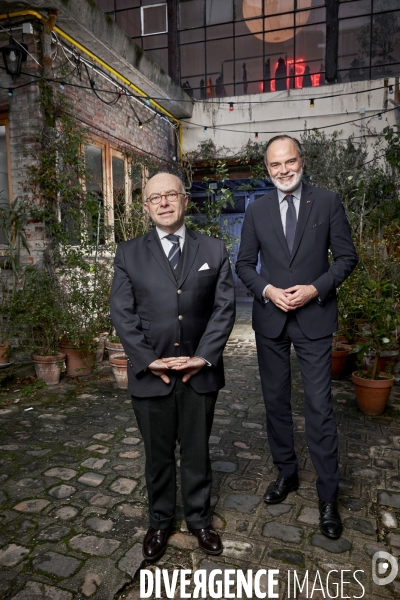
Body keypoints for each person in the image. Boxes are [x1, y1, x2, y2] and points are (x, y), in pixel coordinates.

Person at [236, 135, 358, 540]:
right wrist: (268, 291)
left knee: (320, 407)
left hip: (314, 317)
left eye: (289, 162)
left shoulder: (326, 201)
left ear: (301, 161)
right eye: (275, 165)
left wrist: (315, 289)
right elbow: (244, 265)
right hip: (271, 319)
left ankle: (327, 496)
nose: (283, 170)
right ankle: (286, 473)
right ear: (267, 169)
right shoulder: (257, 210)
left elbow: (346, 258)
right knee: (275, 404)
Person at [110, 172, 235, 561]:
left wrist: (204, 356)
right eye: (154, 198)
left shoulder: (214, 250)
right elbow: (123, 313)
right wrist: (148, 360)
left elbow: (224, 308)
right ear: (146, 207)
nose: (163, 203)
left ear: (185, 200)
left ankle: (199, 520)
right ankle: (160, 521)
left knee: (197, 451)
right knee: (157, 453)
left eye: (171, 195)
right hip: (152, 375)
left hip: (200, 372)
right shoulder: (129, 253)